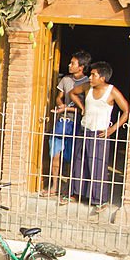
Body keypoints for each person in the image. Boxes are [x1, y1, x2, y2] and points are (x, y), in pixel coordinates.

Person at [68, 61, 130, 212]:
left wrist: (113, 129)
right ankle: (77, 193)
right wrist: (82, 107)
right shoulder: (87, 87)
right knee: (79, 162)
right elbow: (72, 93)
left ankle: (99, 200)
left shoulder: (111, 91)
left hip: (100, 133)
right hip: (85, 129)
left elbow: (126, 111)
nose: (90, 77)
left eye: (93, 75)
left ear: (102, 78)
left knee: (97, 165)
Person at [43, 50, 90, 197]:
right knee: (55, 154)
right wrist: (60, 104)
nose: (69, 65)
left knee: (72, 157)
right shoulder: (65, 80)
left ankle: (69, 187)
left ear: (81, 67)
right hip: (61, 120)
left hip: (76, 123)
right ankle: (55, 185)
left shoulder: (88, 82)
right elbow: (59, 97)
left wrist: (67, 108)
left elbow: (86, 107)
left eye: (73, 63)